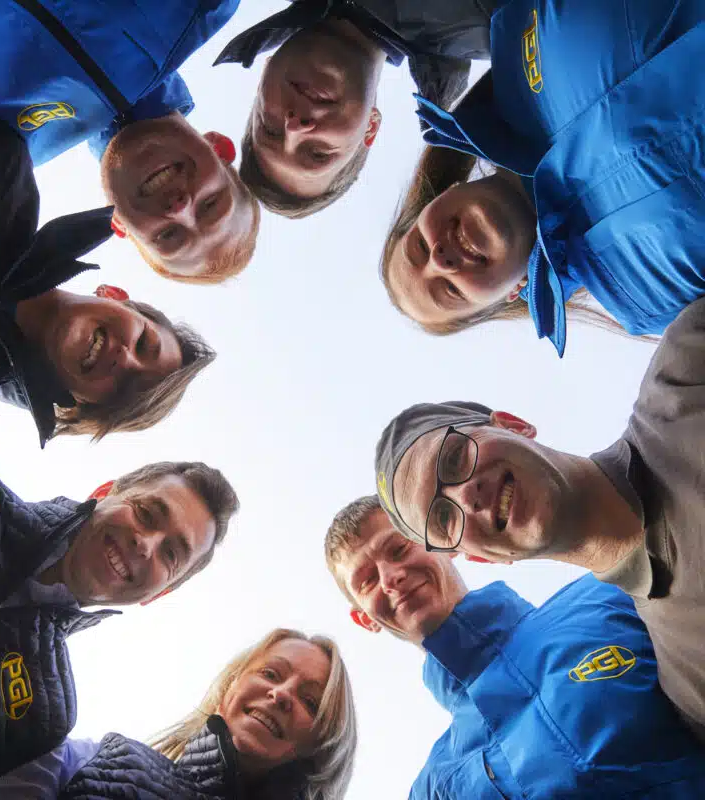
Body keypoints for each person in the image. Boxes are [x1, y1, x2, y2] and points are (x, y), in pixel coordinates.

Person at [373, 304, 705, 745]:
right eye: (443, 518)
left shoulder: (686, 372)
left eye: (455, 458)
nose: (465, 497)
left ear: (513, 424)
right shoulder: (688, 680)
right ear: (477, 557)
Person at [0, 53, 215, 483]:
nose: (124, 358)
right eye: (144, 343)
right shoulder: (2, 171)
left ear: (83, 403)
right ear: (115, 296)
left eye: (125, 388)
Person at [0, 452, 239, 799]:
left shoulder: (44, 718)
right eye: (145, 513)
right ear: (105, 491)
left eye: (170, 555)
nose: (146, 543)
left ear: (158, 593)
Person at [381, 0, 705, 356]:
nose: (440, 261)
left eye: (420, 247)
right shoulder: (647, 299)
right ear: (513, 293)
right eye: (451, 291)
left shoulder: (514, 33)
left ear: (442, 195)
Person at [324, 496, 705, 797]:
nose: (391, 577)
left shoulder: (607, 597)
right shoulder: (435, 787)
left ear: (440, 543)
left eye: (398, 550)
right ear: (364, 618)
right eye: (366, 580)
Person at [0, 1, 261, 281]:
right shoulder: (195, 10)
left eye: (169, 236)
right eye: (211, 204)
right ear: (219, 147)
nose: (180, 208)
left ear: (118, 225)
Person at [0, 628, 357, 800]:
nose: (281, 694)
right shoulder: (97, 759)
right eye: (271, 674)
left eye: (310, 702)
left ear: (319, 745)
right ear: (229, 689)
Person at [214, 0, 497, 218]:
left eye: (270, 129)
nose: (295, 127)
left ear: (264, 72)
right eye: (318, 153)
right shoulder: (501, 23)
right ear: (370, 127)